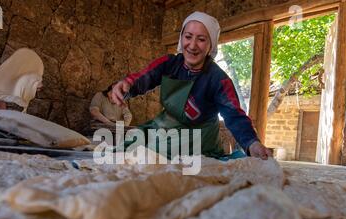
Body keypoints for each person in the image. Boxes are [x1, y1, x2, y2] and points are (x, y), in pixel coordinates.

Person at [111, 12, 272, 160]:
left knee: (153, 153)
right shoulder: (169, 63)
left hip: (198, 135)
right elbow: (144, 77)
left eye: (201, 39)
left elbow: (234, 115)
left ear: (211, 45)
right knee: (133, 138)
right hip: (167, 125)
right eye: (188, 37)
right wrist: (126, 86)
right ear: (181, 38)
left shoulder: (218, 79)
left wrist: (252, 143)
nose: (193, 45)